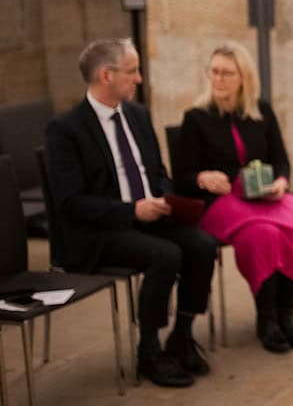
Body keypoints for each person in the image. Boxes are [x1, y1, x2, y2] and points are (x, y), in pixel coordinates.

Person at [45, 38, 217, 388]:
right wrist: (131, 209)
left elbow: (157, 173)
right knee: (165, 255)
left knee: (202, 245)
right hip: (99, 232)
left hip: (149, 217)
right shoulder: (66, 130)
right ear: (106, 75)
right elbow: (71, 204)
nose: (139, 79)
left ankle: (180, 337)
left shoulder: (137, 115)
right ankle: (149, 351)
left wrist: (165, 199)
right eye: (132, 71)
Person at [173, 41, 293, 354]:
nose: (219, 79)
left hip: (265, 196)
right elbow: (180, 176)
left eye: (227, 73)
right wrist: (202, 178)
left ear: (243, 77)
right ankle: (267, 318)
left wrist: (281, 181)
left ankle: (286, 311)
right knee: (262, 234)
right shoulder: (196, 118)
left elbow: (281, 159)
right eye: (214, 72)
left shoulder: (261, 111)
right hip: (222, 203)